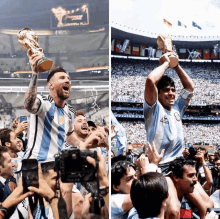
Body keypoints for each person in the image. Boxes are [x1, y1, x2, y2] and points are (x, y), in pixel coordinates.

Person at [144, 53, 194, 173]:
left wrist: (175, 65)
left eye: (173, 90)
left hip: (178, 163)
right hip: (160, 165)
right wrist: (166, 63)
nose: (171, 93)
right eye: (165, 90)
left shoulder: (177, 107)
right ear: (158, 94)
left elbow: (189, 87)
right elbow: (151, 80)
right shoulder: (153, 108)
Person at [23, 51, 76, 163]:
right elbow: (29, 105)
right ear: (50, 85)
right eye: (62, 78)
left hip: (57, 165)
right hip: (36, 163)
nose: (67, 80)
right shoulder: (44, 102)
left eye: (69, 79)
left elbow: (70, 136)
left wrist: (84, 143)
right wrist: (35, 73)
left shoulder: (70, 112)